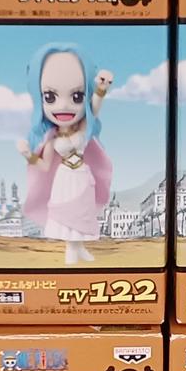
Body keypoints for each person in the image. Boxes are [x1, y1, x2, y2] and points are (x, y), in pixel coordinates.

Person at [17, 44, 113, 264]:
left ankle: (79, 248)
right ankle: (71, 249)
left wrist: (101, 90)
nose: (63, 106)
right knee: (67, 212)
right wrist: (27, 154)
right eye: (50, 97)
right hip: (64, 178)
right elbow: (44, 165)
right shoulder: (51, 139)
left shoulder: (83, 128)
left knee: (81, 212)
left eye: (77, 96)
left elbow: (94, 110)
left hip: (82, 176)